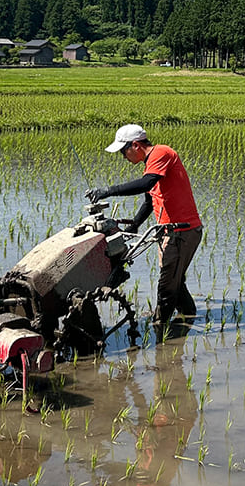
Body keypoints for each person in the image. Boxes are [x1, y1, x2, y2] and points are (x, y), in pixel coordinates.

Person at [85, 124, 202, 337]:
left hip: (182, 232)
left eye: (123, 151)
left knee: (167, 285)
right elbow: (150, 200)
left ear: (136, 145)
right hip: (170, 232)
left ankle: (161, 334)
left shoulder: (161, 153)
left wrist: (108, 191)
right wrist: (134, 225)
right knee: (175, 279)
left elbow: (145, 184)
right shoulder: (152, 165)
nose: (123, 156)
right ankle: (189, 315)